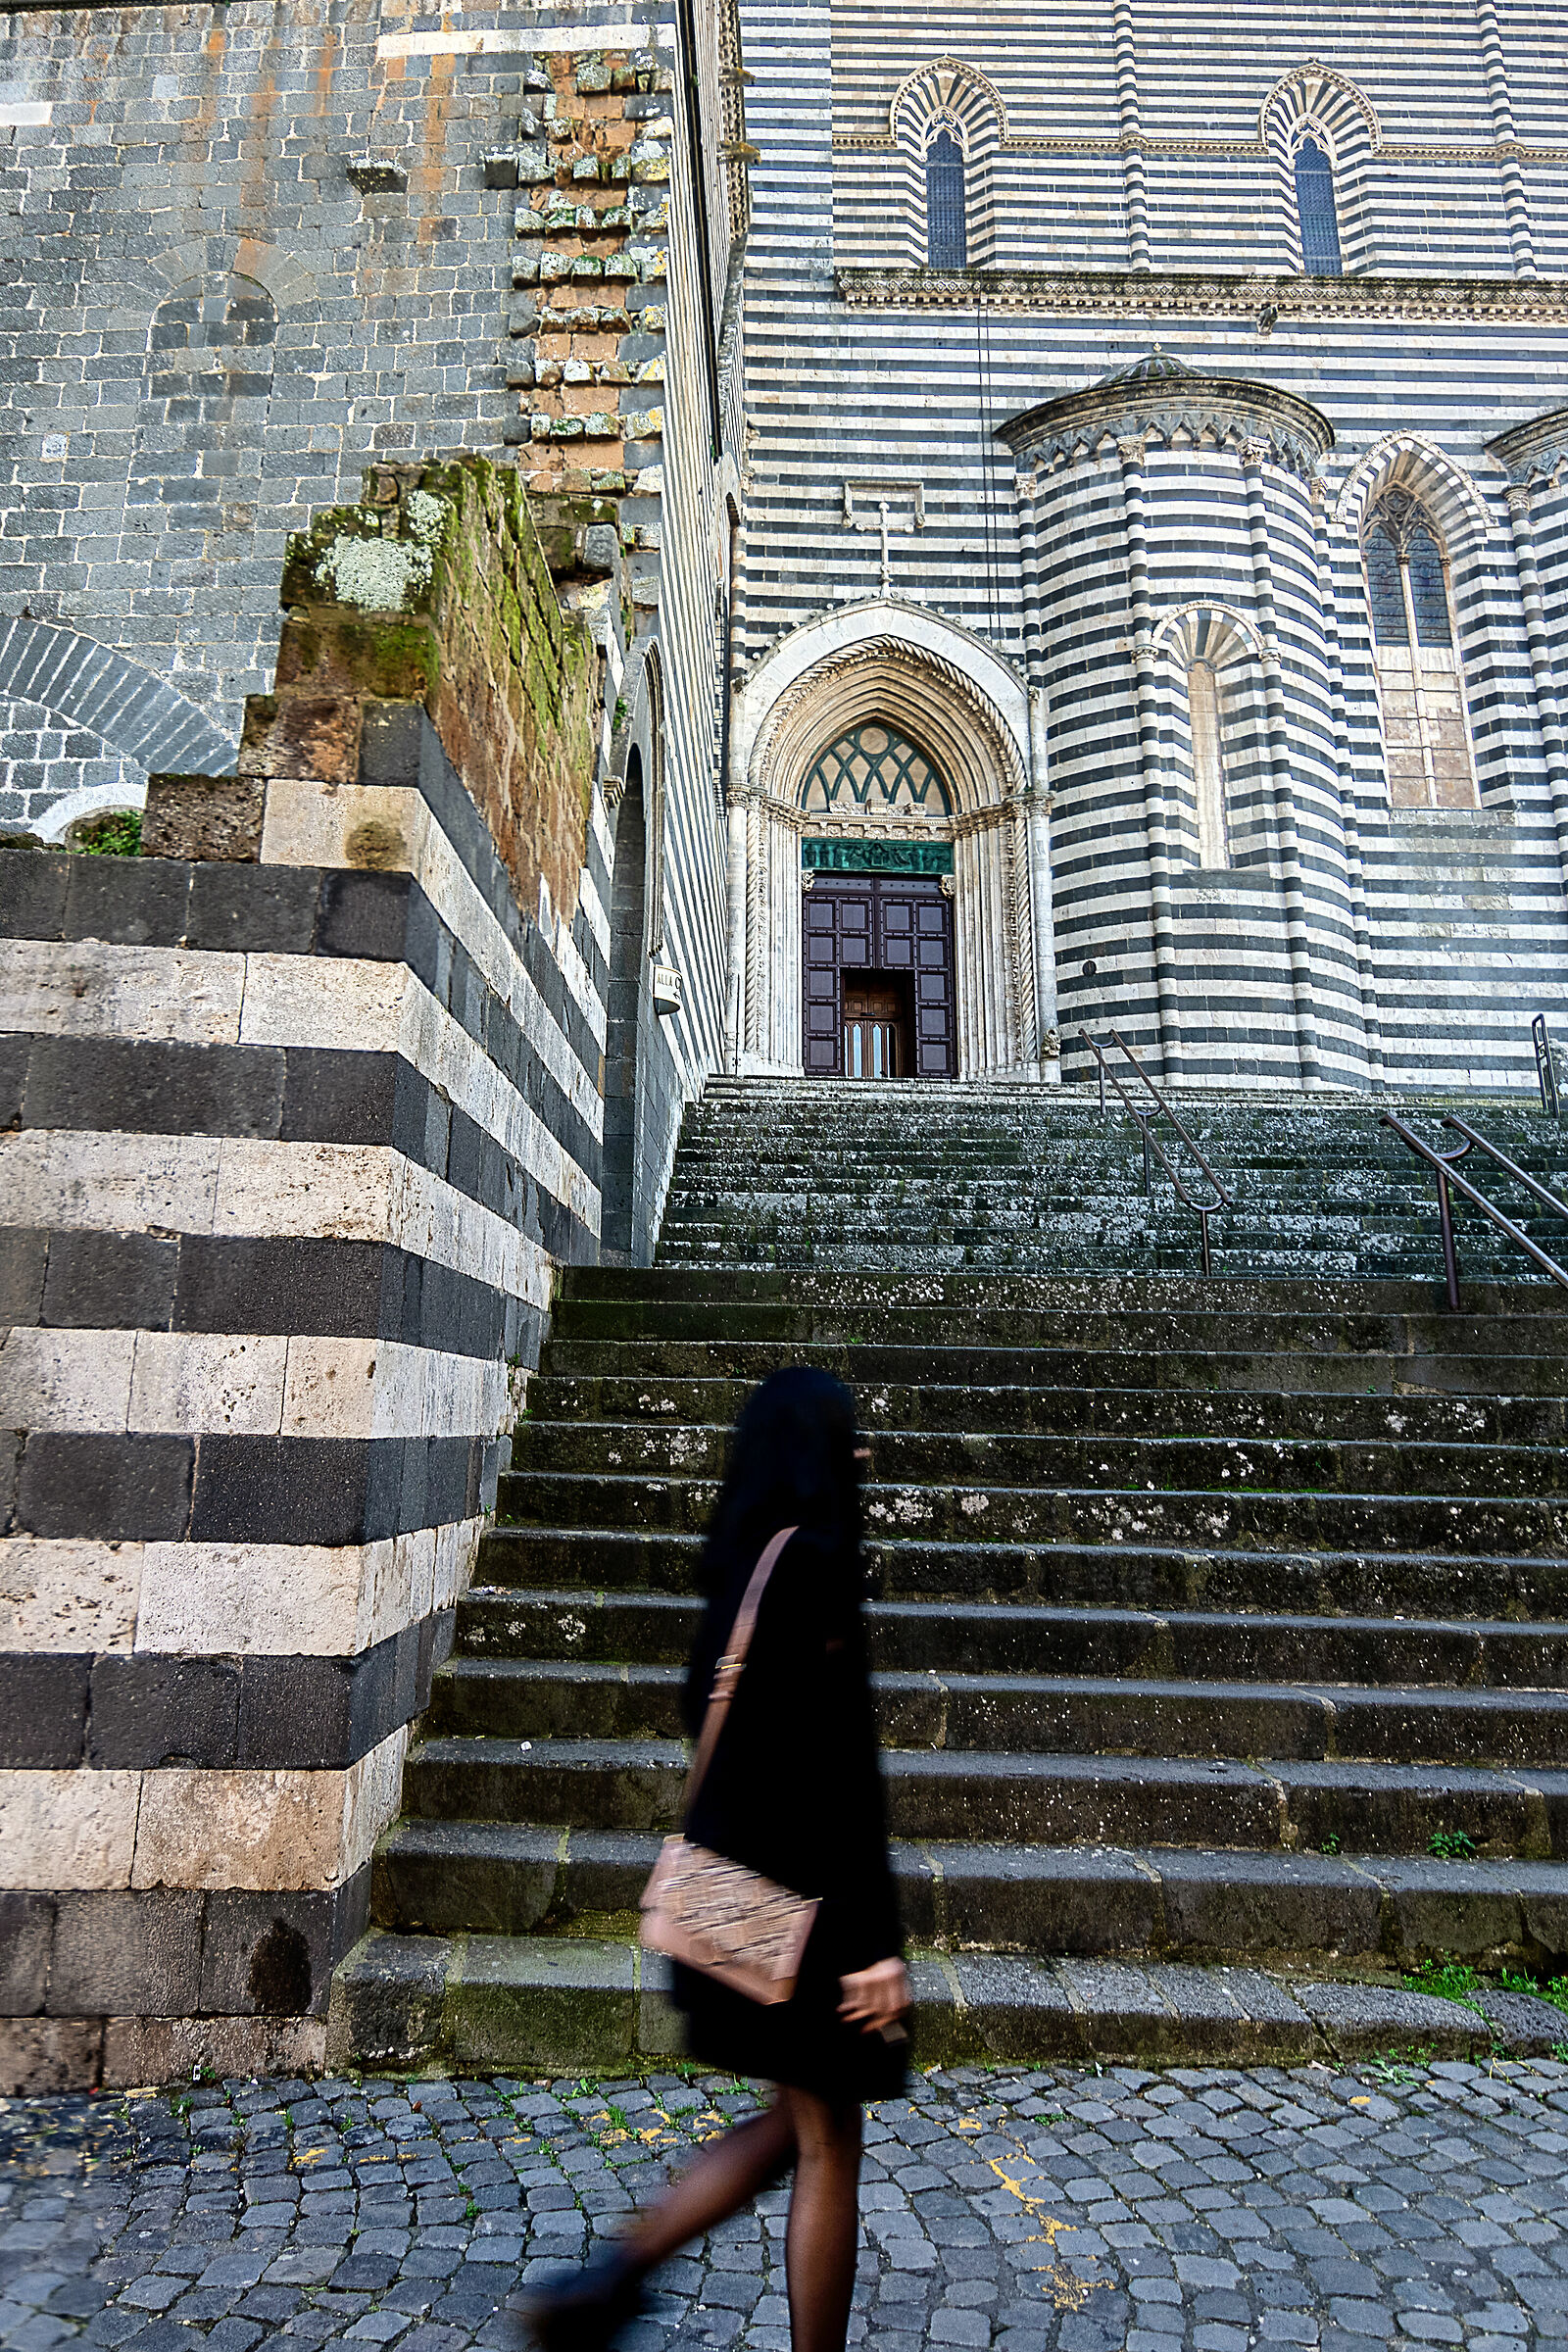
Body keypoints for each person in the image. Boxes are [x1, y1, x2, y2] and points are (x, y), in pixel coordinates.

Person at [516, 1365, 910, 2352]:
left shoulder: (739, 1569)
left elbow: (722, 1728)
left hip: (732, 1895)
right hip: (808, 1913)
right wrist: (873, 1944)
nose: (859, 1451)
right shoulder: (816, 1565)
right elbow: (840, 1771)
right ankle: (620, 2279)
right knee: (828, 2140)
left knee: (798, 2123)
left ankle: (613, 2278)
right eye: (845, 1434)